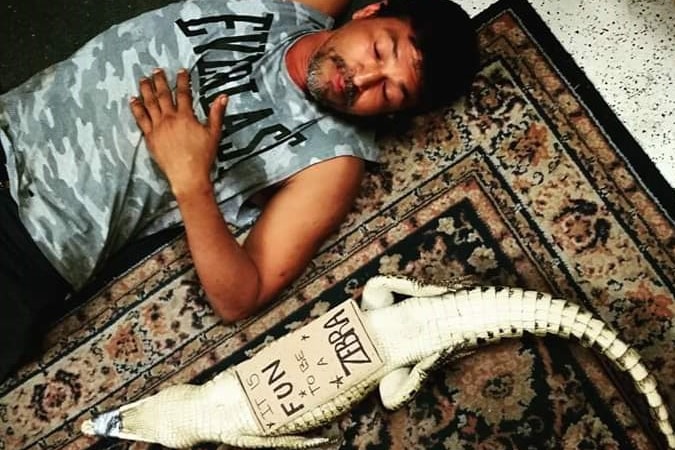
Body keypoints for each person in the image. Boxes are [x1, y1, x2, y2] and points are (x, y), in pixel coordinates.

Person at [0, 0, 479, 380]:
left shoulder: (332, 163)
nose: (361, 80)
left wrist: (192, 184)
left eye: (389, 93)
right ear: (370, 11)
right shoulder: (298, 6)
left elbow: (240, 297)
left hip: (29, 246)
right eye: (378, 51)